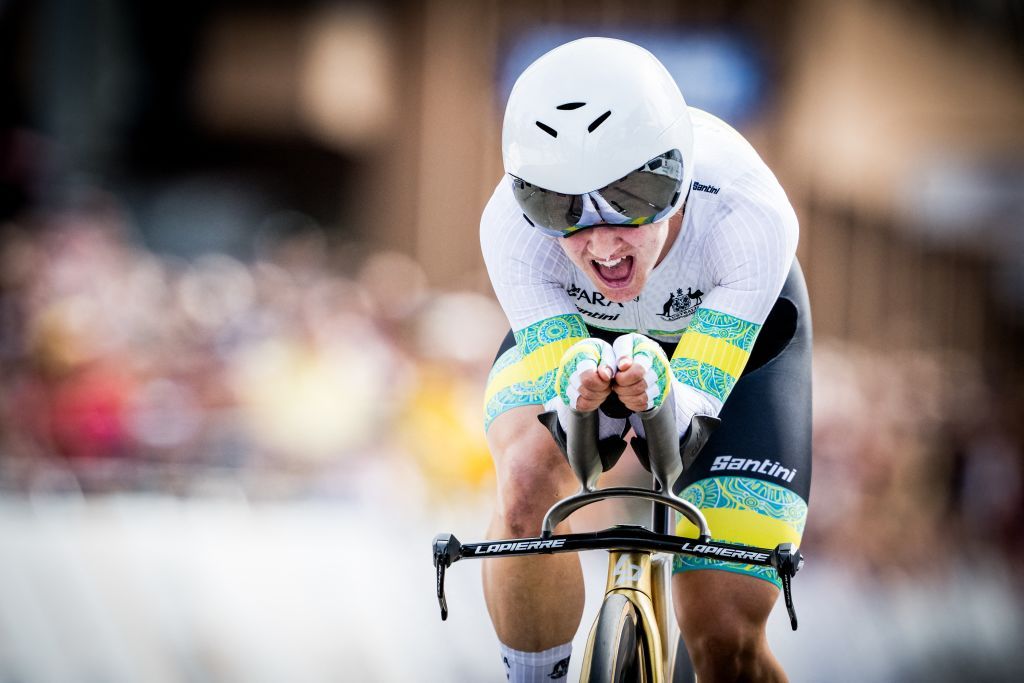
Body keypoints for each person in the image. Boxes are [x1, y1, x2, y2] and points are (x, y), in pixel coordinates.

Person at [480, 37, 811, 682]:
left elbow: (685, 422)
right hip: (586, 332)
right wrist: (578, 399)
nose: (602, 242)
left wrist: (663, 393)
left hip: (740, 345)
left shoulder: (751, 213)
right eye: (560, 208)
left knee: (725, 637)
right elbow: (573, 425)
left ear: (680, 175)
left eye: (633, 198)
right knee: (525, 479)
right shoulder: (509, 230)